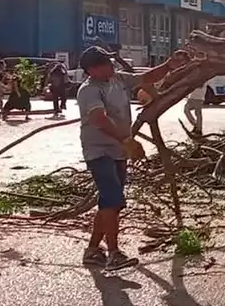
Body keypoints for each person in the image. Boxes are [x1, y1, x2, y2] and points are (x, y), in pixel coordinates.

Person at [77, 45, 190, 271]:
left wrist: (169, 65)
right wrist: (126, 140)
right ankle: (114, 254)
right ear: (92, 70)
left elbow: (144, 77)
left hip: (118, 150)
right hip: (100, 151)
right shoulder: (89, 90)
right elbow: (99, 119)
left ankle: (92, 250)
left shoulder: (117, 80)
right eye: (106, 63)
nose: (112, 65)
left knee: (112, 203)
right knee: (112, 198)